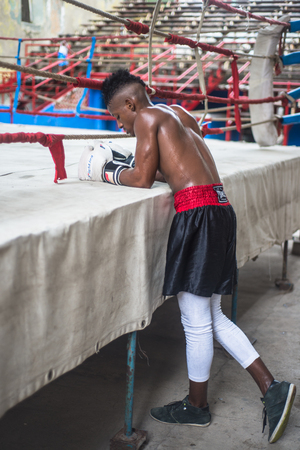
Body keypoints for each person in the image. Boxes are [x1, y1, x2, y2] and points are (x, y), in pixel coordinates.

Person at [79, 69, 296, 444]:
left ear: (131, 103)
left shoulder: (146, 117)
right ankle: (271, 386)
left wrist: (107, 170)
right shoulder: (179, 112)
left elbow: (144, 178)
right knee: (213, 315)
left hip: (197, 216)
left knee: (196, 321)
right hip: (220, 210)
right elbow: (173, 170)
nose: (123, 126)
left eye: (118, 116)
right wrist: (128, 163)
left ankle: (197, 407)